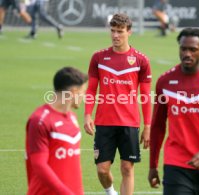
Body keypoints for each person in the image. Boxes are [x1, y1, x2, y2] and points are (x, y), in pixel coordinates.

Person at [148, 28, 199, 195]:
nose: (187, 53)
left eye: (193, 49)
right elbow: (157, 126)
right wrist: (153, 165)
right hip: (176, 164)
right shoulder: (165, 81)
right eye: (183, 48)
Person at [84, 13, 152, 195]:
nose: (115, 35)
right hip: (104, 122)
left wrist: (147, 126)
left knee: (127, 168)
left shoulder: (141, 60)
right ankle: (110, 192)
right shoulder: (98, 58)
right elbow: (91, 89)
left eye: (120, 31)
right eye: (113, 31)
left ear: (129, 32)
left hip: (129, 123)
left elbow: (145, 96)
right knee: (102, 169)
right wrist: (87, 115)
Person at [25, 67, 87, 195]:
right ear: (74, 92)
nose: (84, 96)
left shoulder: (72, 118)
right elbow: (39, 165)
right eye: (83, 92)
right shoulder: (40, 120)